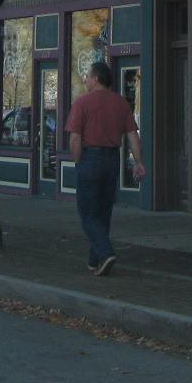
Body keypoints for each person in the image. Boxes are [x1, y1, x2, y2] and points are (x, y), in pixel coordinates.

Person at [65, 61, 144, 276]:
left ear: (96, 78)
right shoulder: (120, 104)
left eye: (88, 76)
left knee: (88, 213)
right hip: (112, 159)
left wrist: (78, 160)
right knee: (103, 211)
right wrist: (138, 162)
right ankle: (95, 260)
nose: (86, 80)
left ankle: (106, 252)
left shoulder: (82, 103)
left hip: (90, 157)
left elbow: (74, 137)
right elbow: (132, 136)